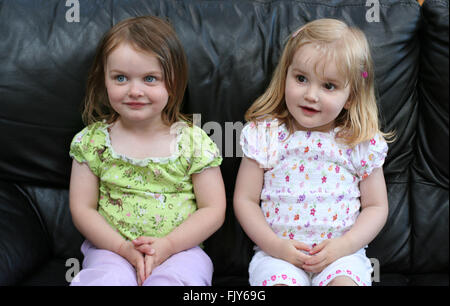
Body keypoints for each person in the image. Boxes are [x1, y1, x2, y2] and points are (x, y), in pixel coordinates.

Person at [234, 18, 393, 286]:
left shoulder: (359, 142)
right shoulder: (265, 135)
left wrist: (345, 245)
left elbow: (376, 207)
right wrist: (275, 246)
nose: (311, 95)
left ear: (351, 95)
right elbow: (245, 200)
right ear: (286, 75)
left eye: (328, 86)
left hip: (341, 257)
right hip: (278, 256)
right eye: (301, 78)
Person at [69, 16, 226, 286]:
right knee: (104, 281)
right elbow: (82, 209)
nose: (134, 90)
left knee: (177, 281)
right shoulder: (91, 143)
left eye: (150, 79)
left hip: (181, 251)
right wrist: (121, 248)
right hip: (111, 250)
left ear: (173, 82)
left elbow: (213, 208)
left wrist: (168, 245)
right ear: (103, 80)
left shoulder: (194, 142)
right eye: (120, 78)